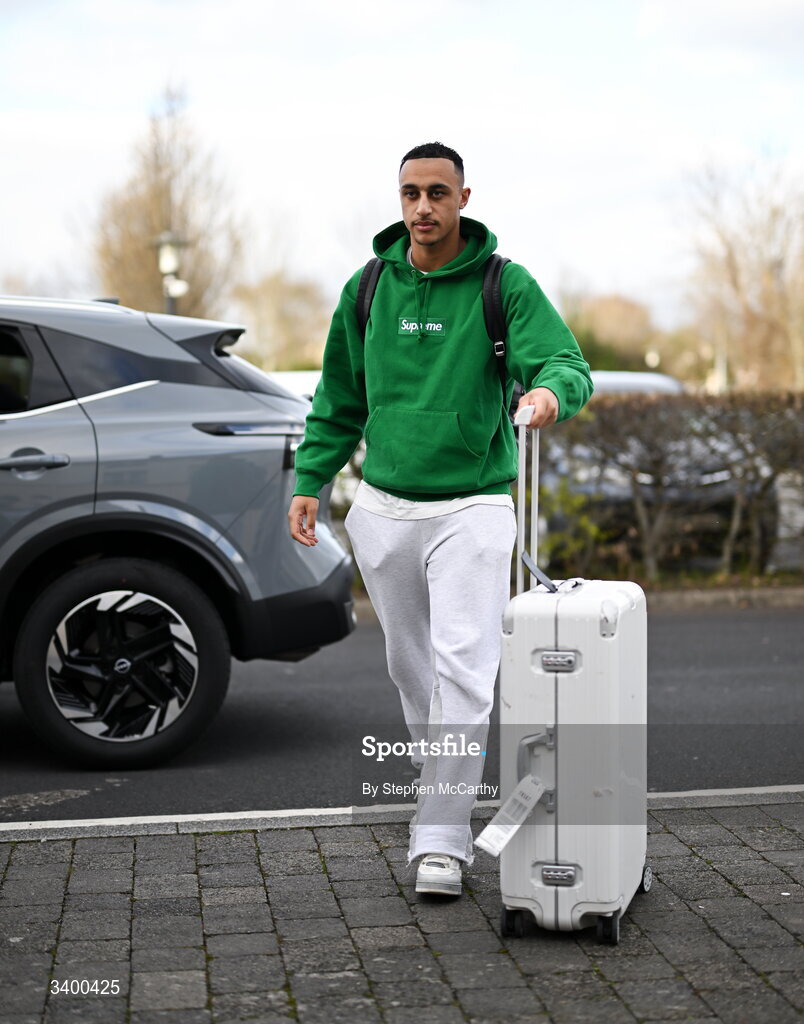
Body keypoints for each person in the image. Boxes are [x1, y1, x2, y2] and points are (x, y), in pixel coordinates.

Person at [288, 141, 593, 896]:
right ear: (400, 200)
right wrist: (311, 479)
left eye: (437, 193)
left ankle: (441, 837)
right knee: (407, 665)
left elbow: (567, 362)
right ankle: (442, 782)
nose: (422, 207)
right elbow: (338, 400)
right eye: (410, 193)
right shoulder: (366, 288)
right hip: (384, 506)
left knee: (464, 667)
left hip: (474, 504)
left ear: (462, 198)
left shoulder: (502, 284)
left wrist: (550, 394)